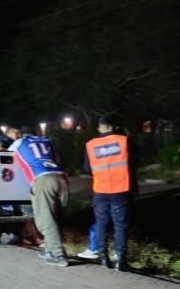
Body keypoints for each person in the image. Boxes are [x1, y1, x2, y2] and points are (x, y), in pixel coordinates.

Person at [9, 127, 70, 267]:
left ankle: (58, 254)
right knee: (57, 217)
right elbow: (59, 159)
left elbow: (4, 156)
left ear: (20, 134)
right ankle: (49, 249)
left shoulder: (19, 142)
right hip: (62, 178)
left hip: (42, 179)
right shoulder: (46, 140)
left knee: (46, 219)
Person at [83, 115, 137, 271]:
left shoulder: (90, 145)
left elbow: (87, 168)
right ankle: (121, 261)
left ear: (101, 127)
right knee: (120, 226)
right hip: (121, 190)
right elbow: (135, 162)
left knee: (101, 224)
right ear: (114, 127)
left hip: (100, 190)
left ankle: (104, 259)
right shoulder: (124, 141)